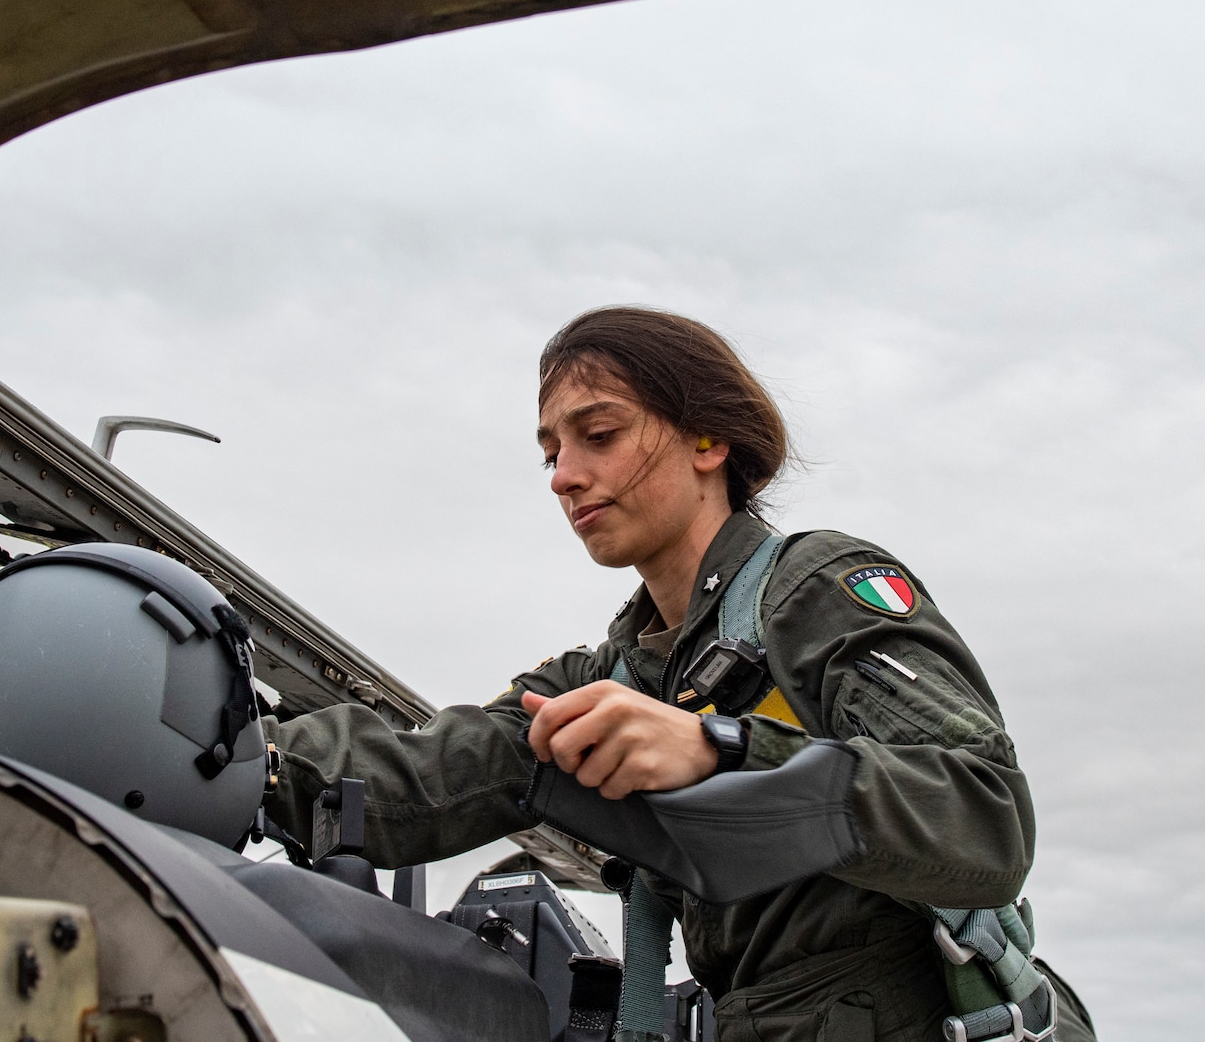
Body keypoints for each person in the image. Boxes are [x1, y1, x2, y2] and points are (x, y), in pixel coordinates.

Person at [262, 306, 1094, 1042]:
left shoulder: (814, 592)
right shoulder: (610, 677)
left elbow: (985, 820)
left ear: (708, 438)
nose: (564, 476)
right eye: (551, 452)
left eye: (600, 434)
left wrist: (721, 751)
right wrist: (237, 756)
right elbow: (428, 769)